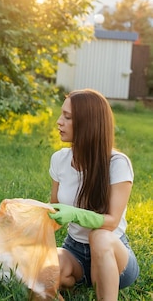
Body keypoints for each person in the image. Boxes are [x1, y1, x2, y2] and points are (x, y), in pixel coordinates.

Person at [48, 89, 139, 300]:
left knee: (99, 236)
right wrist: (20, 212)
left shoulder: (117, 163)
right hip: (74, 251)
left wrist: (76, 214)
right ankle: (75, 280)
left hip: (114, 255)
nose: (59, 122)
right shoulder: (59, 159)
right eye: (62, 114)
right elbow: (53, 210)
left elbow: (111, 222)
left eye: (68, 117)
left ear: (88, 123)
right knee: (40, 270)